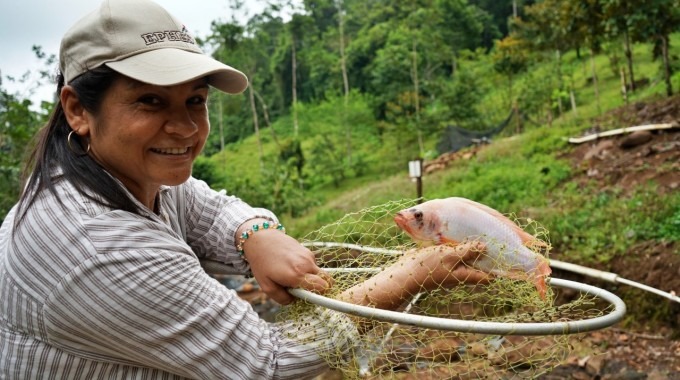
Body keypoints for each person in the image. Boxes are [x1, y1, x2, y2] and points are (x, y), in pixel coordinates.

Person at [0, 0, 488, 379]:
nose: (186, 127)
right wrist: (409, 275)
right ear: (78, 110)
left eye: (196, 100)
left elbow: (205, 206)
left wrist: (255, 232)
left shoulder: (126, 175)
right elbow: (265, 364)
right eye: (150, 101)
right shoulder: (94, 244)